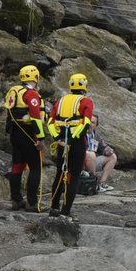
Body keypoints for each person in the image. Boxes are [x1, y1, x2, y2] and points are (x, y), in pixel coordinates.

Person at [47, 72, 96, 217]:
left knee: (60, 174)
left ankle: (54, 207)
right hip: (76, 143)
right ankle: (66, 210)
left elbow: (50, 122)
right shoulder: (86, 101)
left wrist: (58, 137)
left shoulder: (61, 101)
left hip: (62, 142)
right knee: (73, 176)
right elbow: (86, 123)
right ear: (85, 86)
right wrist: (72, 140)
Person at [4, 63, 47, 212]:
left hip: (15, 133)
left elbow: (9, 114)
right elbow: (35, 117)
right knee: (35, 168)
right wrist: (41, 138)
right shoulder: (30, 94)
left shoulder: (14, 92)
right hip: (29, 133)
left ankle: (16, 200)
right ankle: (32, 203)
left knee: (17, 166)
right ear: (35, 77)